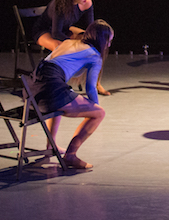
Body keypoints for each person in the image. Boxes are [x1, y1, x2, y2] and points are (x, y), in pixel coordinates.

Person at [30, 19, 114, 169]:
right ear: (103, 40)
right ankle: (70, 155)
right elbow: (90, 88)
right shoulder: (94, 55)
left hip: (32, 89)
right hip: (50, 87)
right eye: (109, 41)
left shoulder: (68, 42)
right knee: (99, 113)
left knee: (59, 101)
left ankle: (51, 146)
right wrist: (95, 108)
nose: (109, 45)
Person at [31, 0, 109, 95]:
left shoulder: (87, 3)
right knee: (60, 47)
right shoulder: (60, 4)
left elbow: (91, 29)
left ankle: (96, 83)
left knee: (97, 42)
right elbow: (56, 33)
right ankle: (57, 84)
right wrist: (75, 44)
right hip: (44, 31)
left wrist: (87, 41)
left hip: (65, 29)